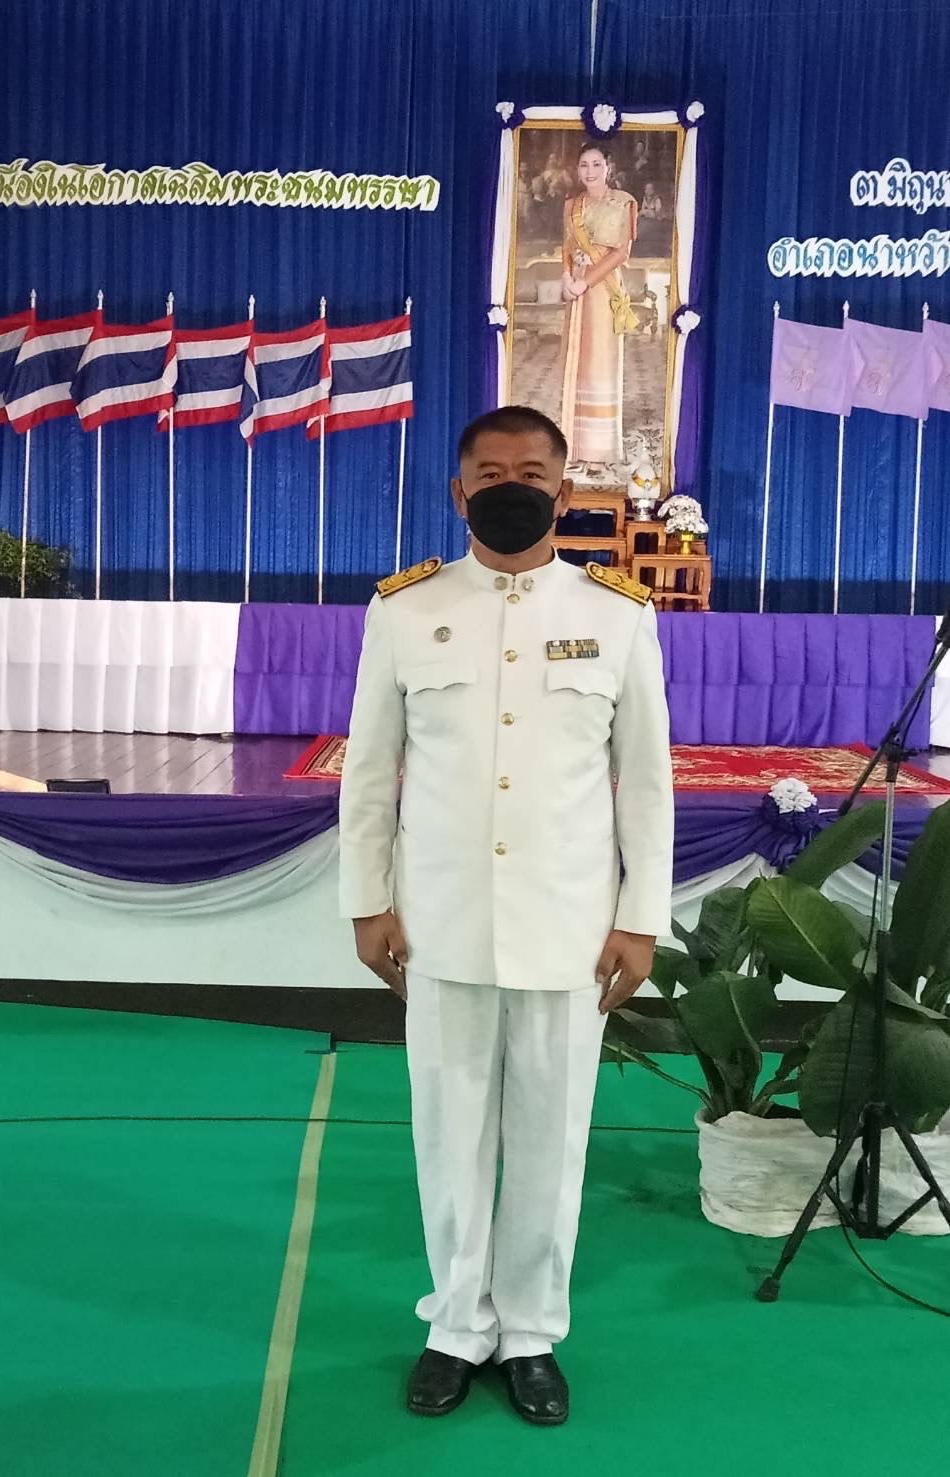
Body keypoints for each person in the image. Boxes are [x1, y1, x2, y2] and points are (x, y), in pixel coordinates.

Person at [338, 405, 674, 1427]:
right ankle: (454, 1325)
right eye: (490, 473)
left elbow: (645, 781)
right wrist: (366, 900)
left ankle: (529, 1331)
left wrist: (640, 918)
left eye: (532, 471)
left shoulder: (617, 615)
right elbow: (369, 770)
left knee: (549, 1138)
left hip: (570, 928)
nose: (511, 486)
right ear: (459, 491)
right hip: (442, 920)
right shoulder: (406, 611)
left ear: (563, 492)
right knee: (447, 1135)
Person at [560, 144, 639, 476]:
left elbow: (621, 253)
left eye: (596, 164)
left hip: (602, 288)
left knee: (600, 362)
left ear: (608, 167)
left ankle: (601, 446)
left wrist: (585, 282)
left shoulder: (624, 202)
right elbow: (567, 247)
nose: (589, 171)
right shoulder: (571, 206)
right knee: (576, 360)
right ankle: (573, 444)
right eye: (583, 165)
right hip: (576, 289)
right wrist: (567, 277)